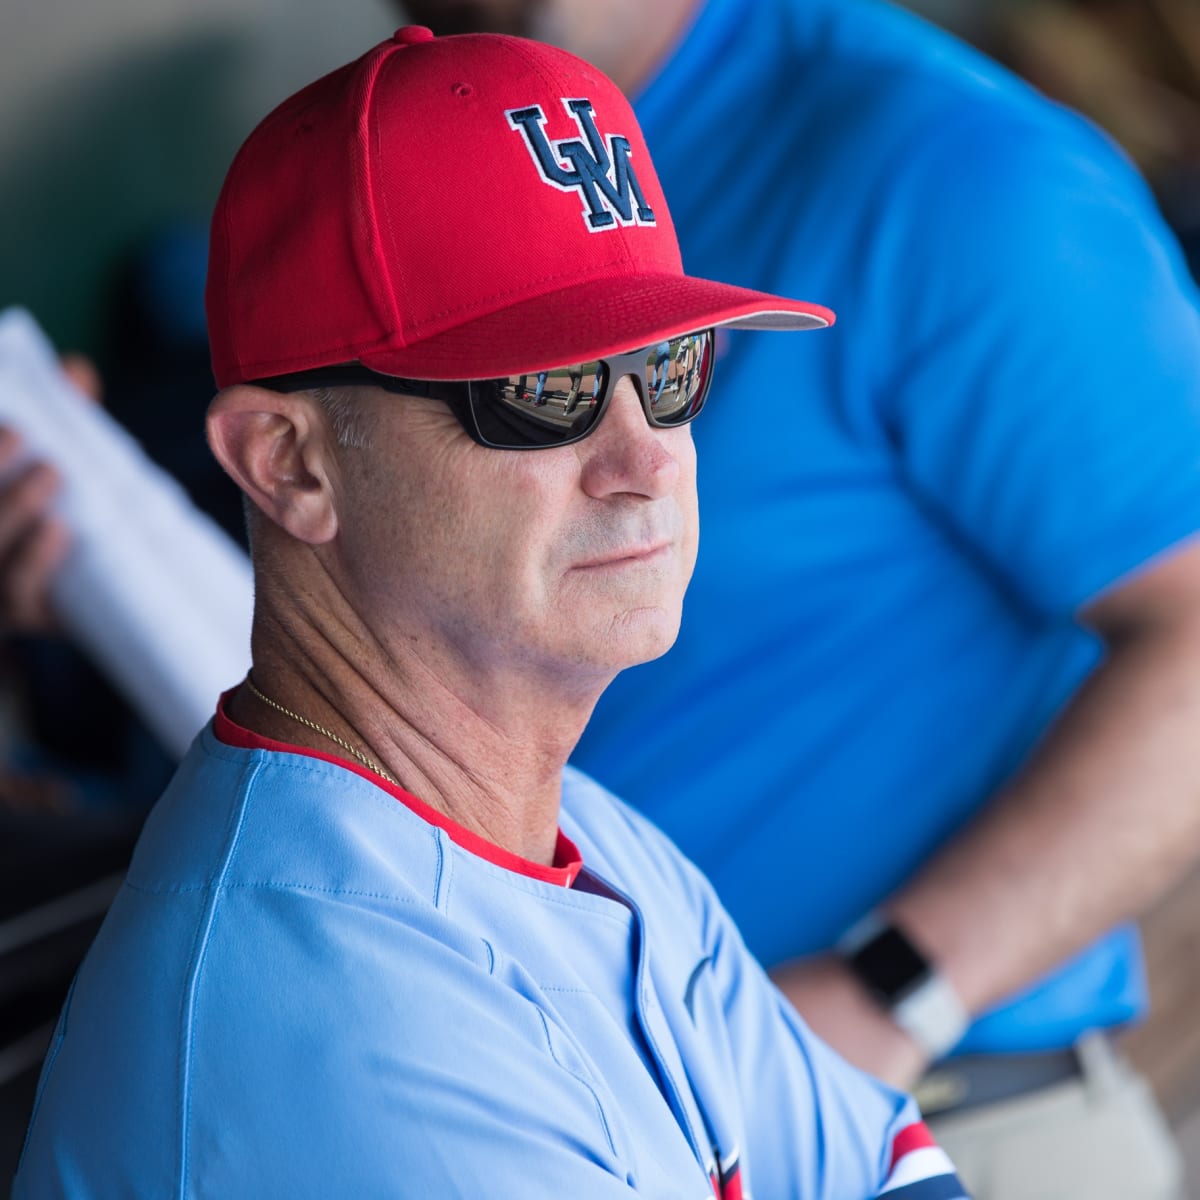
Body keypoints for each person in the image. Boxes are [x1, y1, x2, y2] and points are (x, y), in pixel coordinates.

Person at [12, 27, 970, 1199]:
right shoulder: (335, 1015)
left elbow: (882, 1164)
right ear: (290, 463)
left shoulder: (595, 841)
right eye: (543, 391)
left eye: (668, 369)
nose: (645, 458)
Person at [391, 1, 1200, 1196]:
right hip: (544, 1124)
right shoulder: (411, 188)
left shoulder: (944, 164)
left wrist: (894, 986)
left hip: (915, 1121)